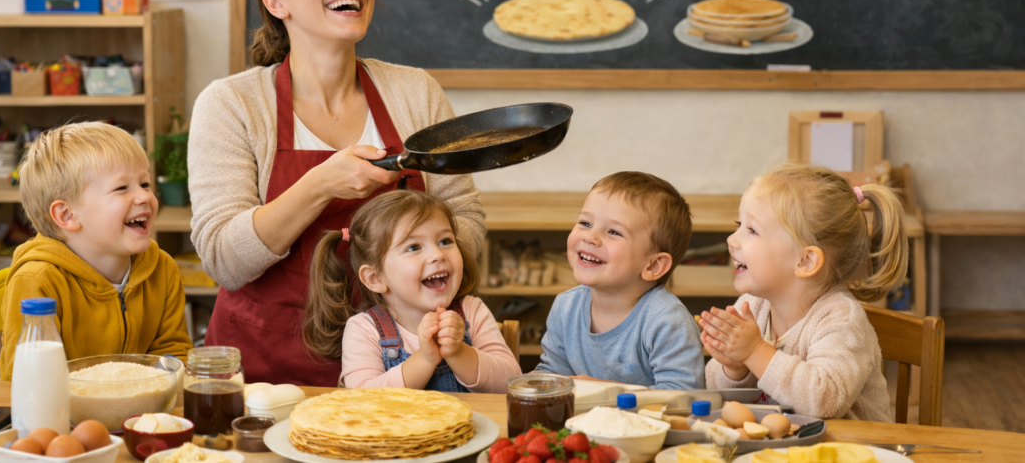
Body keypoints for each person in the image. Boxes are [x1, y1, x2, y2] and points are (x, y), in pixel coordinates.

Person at [188, 0, 486, 385]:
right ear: (276, 0)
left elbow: (464, 217)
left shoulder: (415, 93)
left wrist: (427, 271)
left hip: (405, 370)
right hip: (269, 376)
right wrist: (322, 183)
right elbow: (224, 259)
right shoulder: (231, 105)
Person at [700, 163, 908, 421]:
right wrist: (734, 368)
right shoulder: (753, 306)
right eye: (738, 224)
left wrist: (754, 351)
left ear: (805, 262)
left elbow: (824, 401)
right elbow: (716, 392)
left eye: (752, 230)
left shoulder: (841, 320)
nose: (732, 239)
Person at [0, 122, 192, 380]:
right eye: (122, 188)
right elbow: (27, 381)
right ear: (67, 215)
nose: (144, 197)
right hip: (63, 415)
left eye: (144, 184)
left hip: (140, 410)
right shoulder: (37, 281)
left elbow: (174, 352)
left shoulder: (162, 268)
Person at [304, 190, 520, 391]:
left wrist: (459, 352)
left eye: (445, 241)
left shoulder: (472, 311)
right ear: (374, 278)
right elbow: (361, 399)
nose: (438, 254)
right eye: (414, 247)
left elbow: (511, 384)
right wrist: (424, 360)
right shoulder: (363, 329)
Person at [536, 172, 705, 389]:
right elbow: (554, 377)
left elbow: (683, 397)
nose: (590, 237)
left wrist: (600, 388)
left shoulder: (667, 321)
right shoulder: (565, 307)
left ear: (653, 266)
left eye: (614, 232)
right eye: (585, 223)